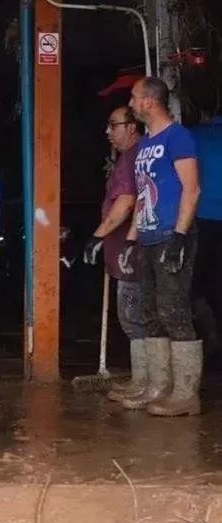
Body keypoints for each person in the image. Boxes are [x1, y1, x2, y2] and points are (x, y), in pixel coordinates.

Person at [119, 77, 202, 416]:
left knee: (174, 311)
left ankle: (186, 394)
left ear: (150, 101)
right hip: (149, 237)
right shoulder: (144, 146)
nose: (132, 102)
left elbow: (191, 189)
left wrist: (180, 236)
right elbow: (143, 195)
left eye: (135, 97)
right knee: (151, 313)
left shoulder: (178, 137)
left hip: (171, 235)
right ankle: (158, 387)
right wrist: (132, 239)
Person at [83, 106, 147, 401]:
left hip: (132, 253)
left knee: (135, 318)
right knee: (135, 317)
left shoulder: (133, 157)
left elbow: (126, 202)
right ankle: (143, 379)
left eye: (113, 125)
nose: (107, 132)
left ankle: (145, 382)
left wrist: (98, 235)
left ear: (132, 127)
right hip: (125, 252)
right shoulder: (126, 159)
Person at [190, 112, 222, 366]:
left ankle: (211, 338)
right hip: (206, 219)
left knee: (196, 285)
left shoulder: (196, 134)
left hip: (203, 218)